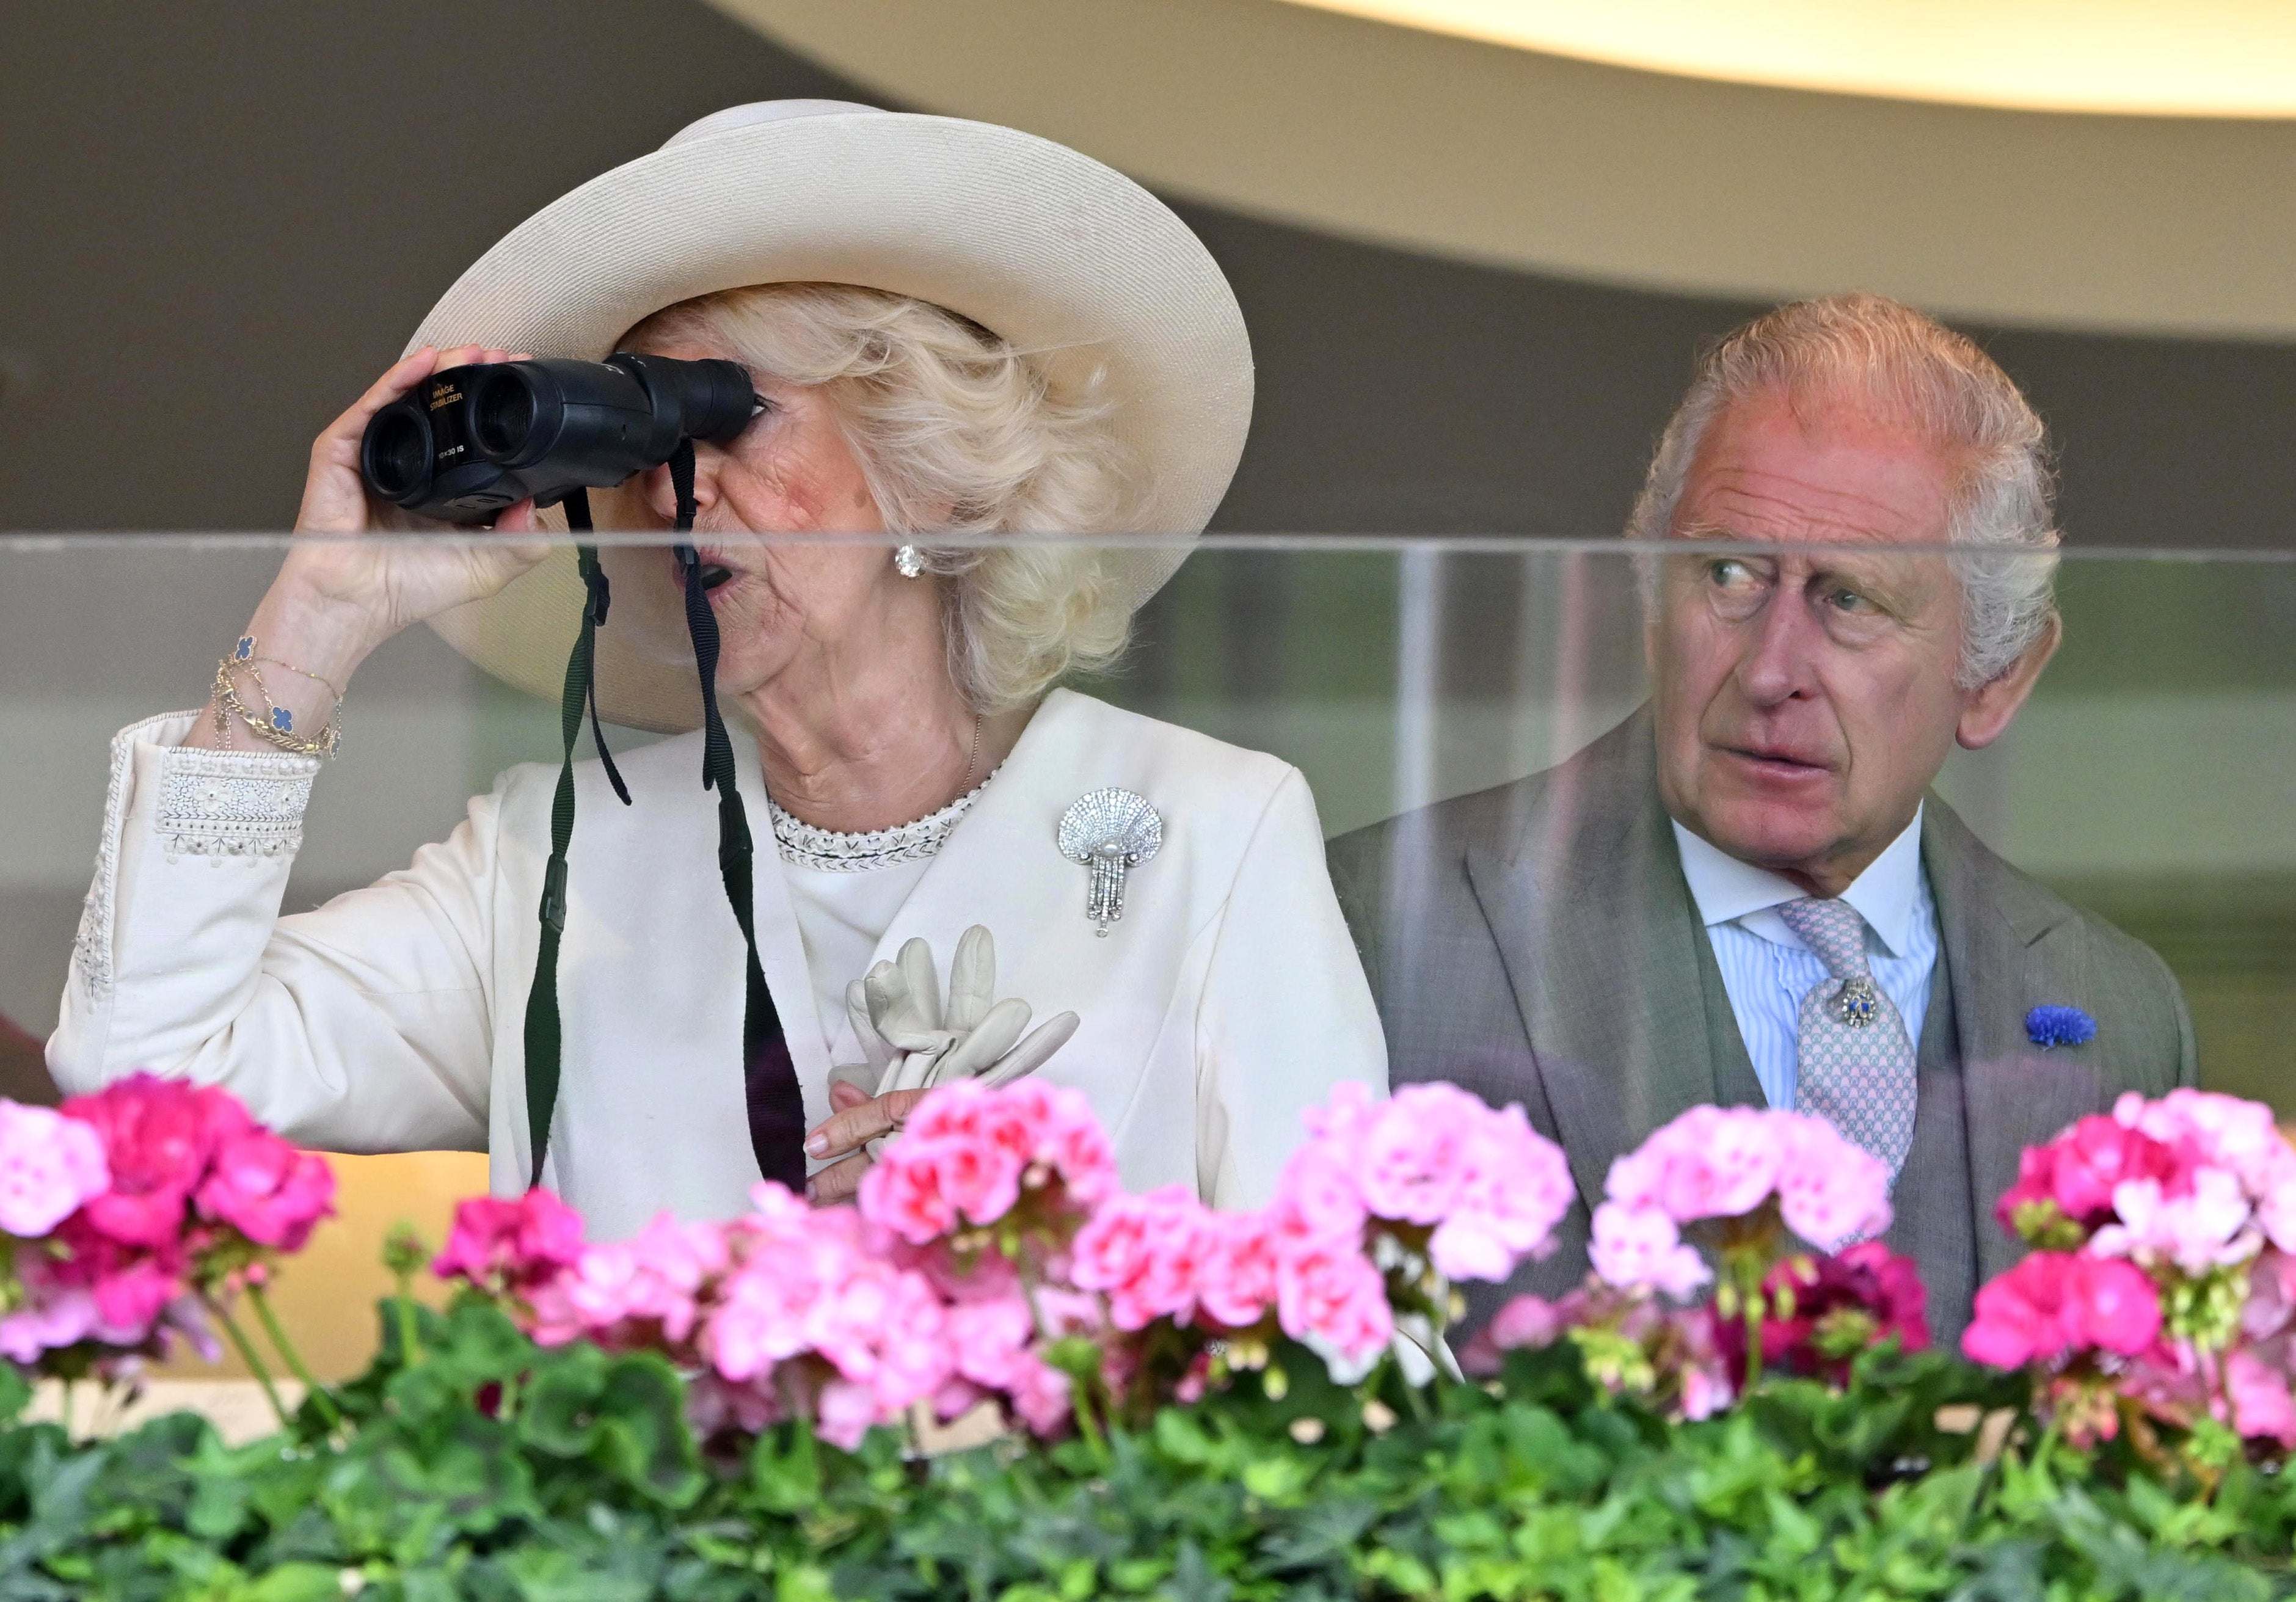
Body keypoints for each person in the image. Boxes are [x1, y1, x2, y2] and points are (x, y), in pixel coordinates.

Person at [49, 101, 1384, 1241]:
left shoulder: (1210, 829)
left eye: (721, 418)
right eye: (634, 443)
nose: (670, 498)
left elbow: (1366, 1339)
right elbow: (143, 1083)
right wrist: (321, 613)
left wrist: (1054, 1281)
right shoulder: (549, 865)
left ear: (923, 467)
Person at [1328, 294, 2195, 1345]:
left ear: (1997, 680)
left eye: (1850, 599)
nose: (1770, 668)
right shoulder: (1378, 923)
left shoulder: (2119, 1007)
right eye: (1728, 574)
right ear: (1650, 598)